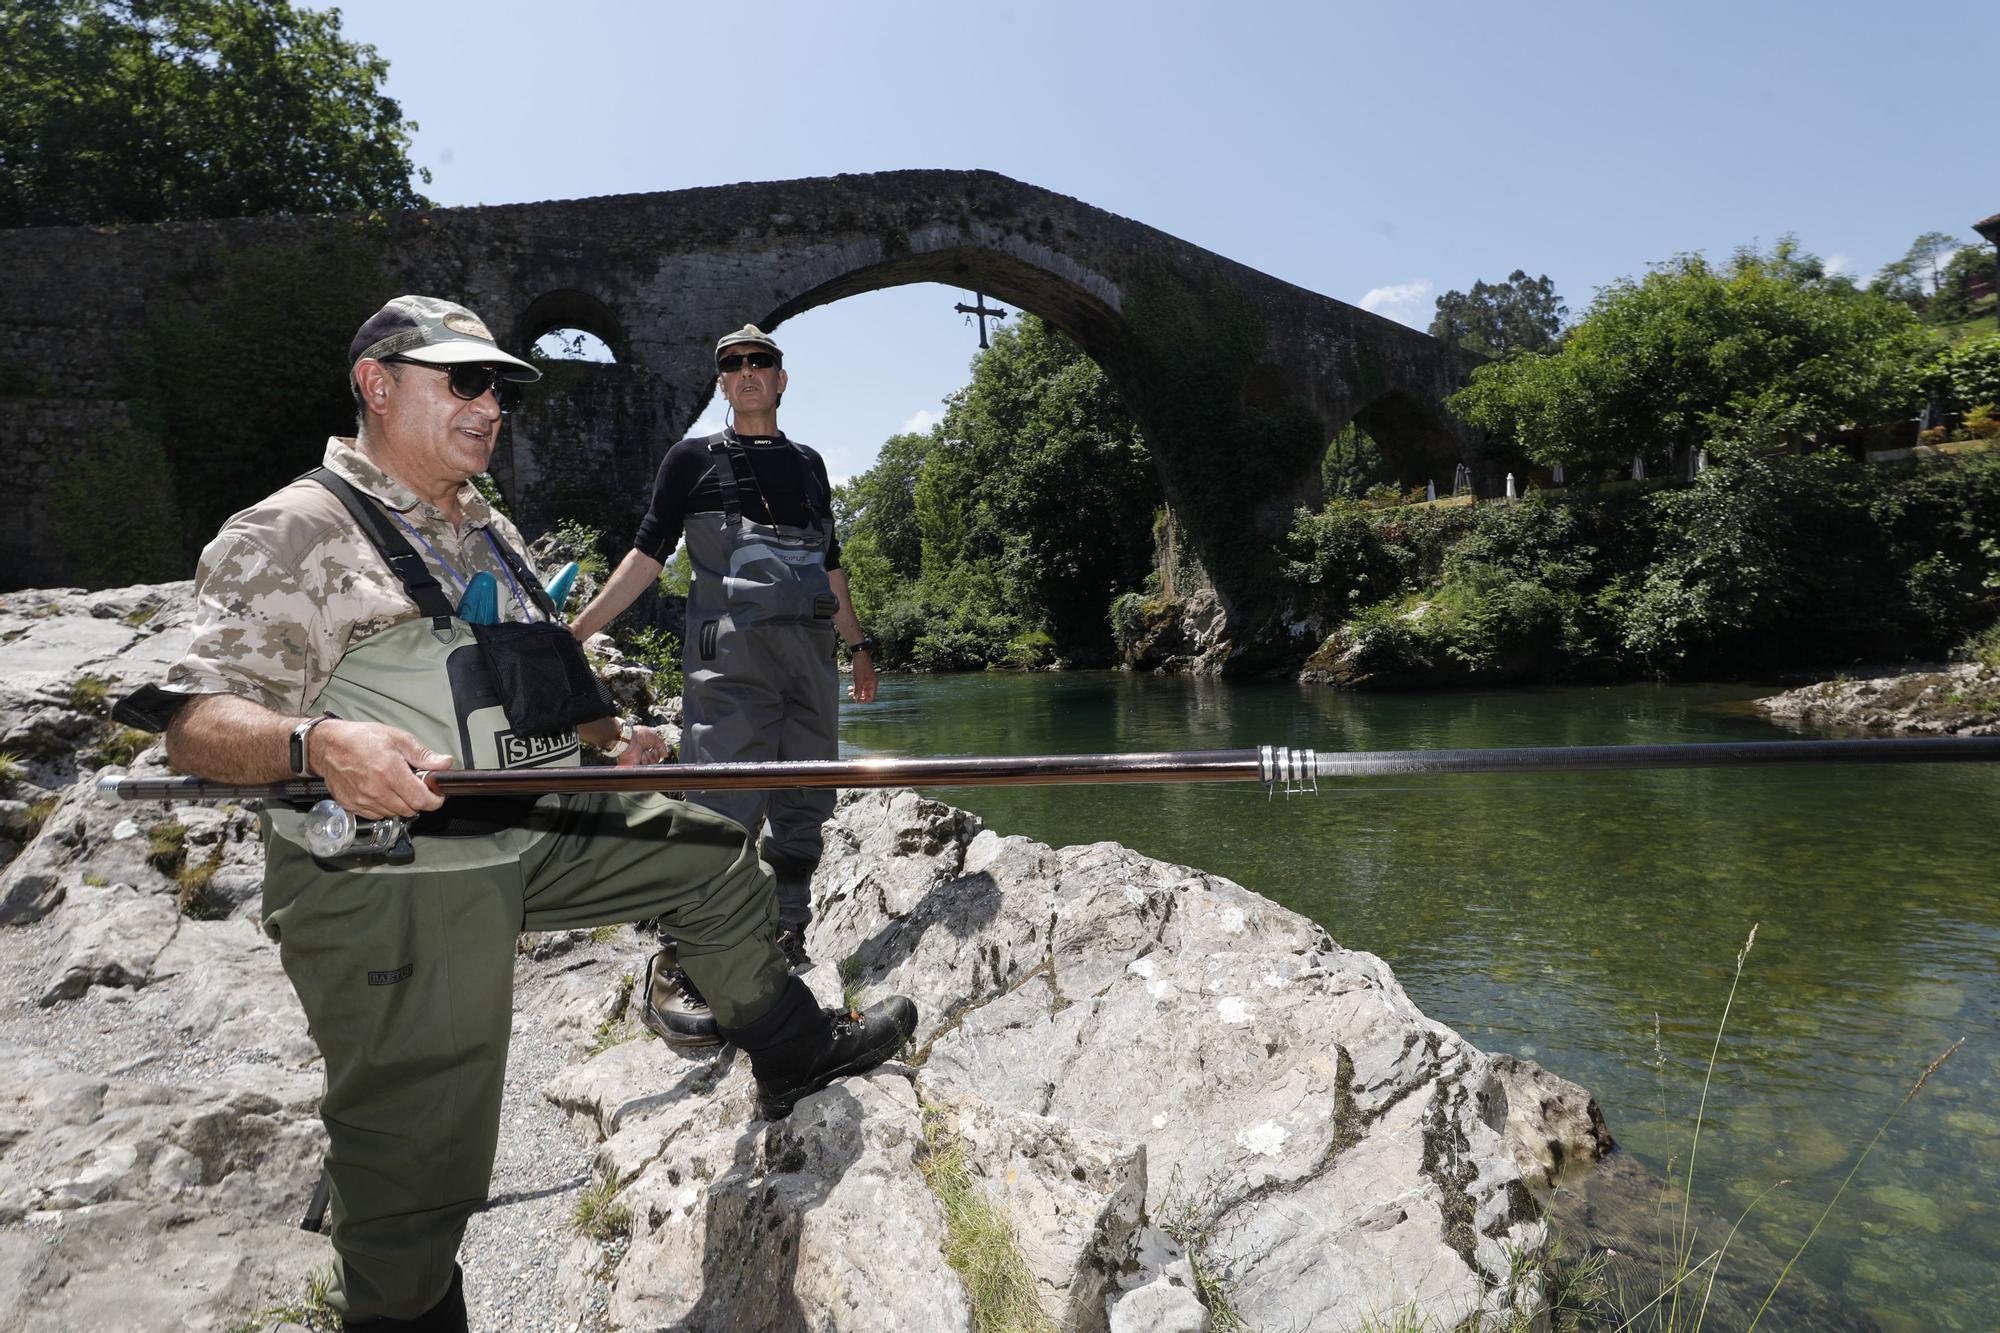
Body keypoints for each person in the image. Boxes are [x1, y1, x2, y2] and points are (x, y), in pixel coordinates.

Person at [112, 295, 915, 1331]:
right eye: (464, 381)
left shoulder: (487, 527)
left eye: (500, 386)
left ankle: (790, 1046)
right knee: (420, 1160)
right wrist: (316, 744)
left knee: (712, 857)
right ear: (377, 384)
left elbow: (541, 672)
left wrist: (611, 743)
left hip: (535, 826)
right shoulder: (291, 530)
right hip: (392, 876)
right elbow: (189, 722)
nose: (492, 405)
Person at [569, 324, 876, 1044]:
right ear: (721, 382)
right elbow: (647, 557)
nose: (745, 372)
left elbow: (831, 564)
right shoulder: (690, 460)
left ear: (781, 377)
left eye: (758, 362)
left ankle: (786, 930)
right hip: (727, 663)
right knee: (721, 804)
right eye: (731, 365)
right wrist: (574, 633)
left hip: (810, 659)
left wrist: (859, 646)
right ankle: (683, 959)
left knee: (805, 801)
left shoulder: (809, 465)